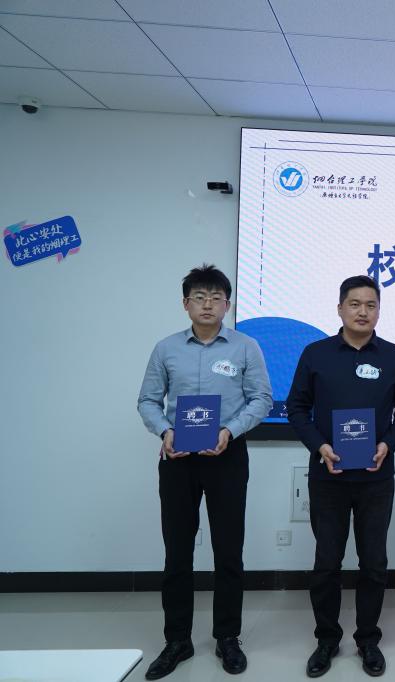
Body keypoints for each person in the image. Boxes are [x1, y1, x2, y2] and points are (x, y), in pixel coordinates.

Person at [137, 264, 272, 679]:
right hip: (178, 459)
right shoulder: (166, 349)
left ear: (227, 304)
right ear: (186, 304)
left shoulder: (246, 347)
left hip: (227, 455)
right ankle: (177, 640)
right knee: (177, 552)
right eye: (199, 297)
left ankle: (227, 637)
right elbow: (147, 401)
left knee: (228, 551)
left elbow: (262, 399)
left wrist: (230, 430)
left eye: (216, 297)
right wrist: (166, 431)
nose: (208, 304)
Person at [286, 275, 395, 678]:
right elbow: (296, 408)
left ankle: (367, 639)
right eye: (355, 304)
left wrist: (388, 444)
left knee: (374, 562)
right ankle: (326, 638)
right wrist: (319, 446)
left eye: (371, 305)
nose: (363, 311)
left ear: (379, 311)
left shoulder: (393, 356)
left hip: (377, 477)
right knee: (327, 562)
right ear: (340, 308)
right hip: (329, 476)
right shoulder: (316, 354)